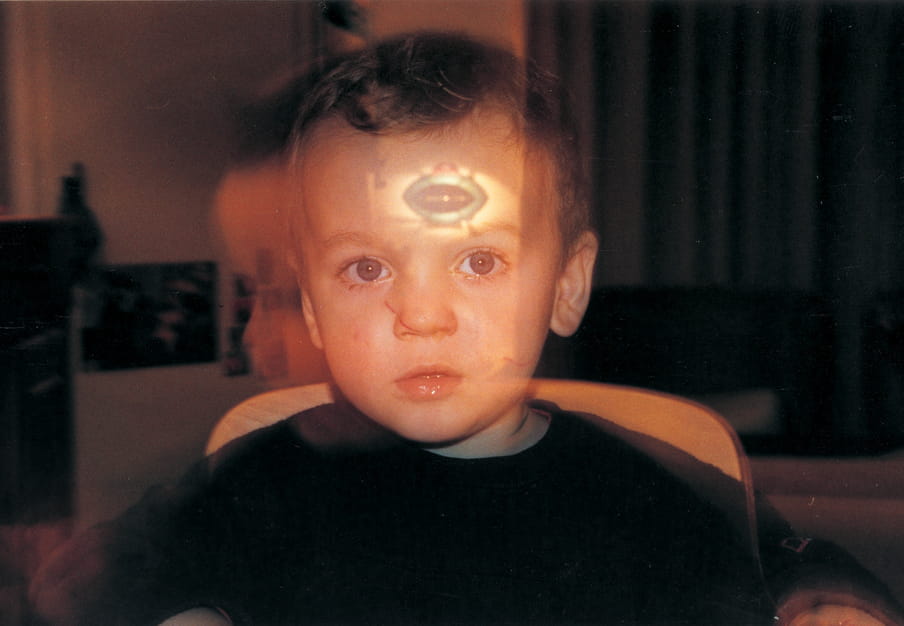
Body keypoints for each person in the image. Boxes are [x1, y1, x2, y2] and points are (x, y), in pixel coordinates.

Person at [28, 32, 900, 626]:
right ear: (318, 310)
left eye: (478, 261)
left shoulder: (651, 491)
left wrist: (821, 598)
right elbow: (111, 576)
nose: (422, 313)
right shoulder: (257, 479)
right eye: (366, 269)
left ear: (566, 285)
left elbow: (792, 563)